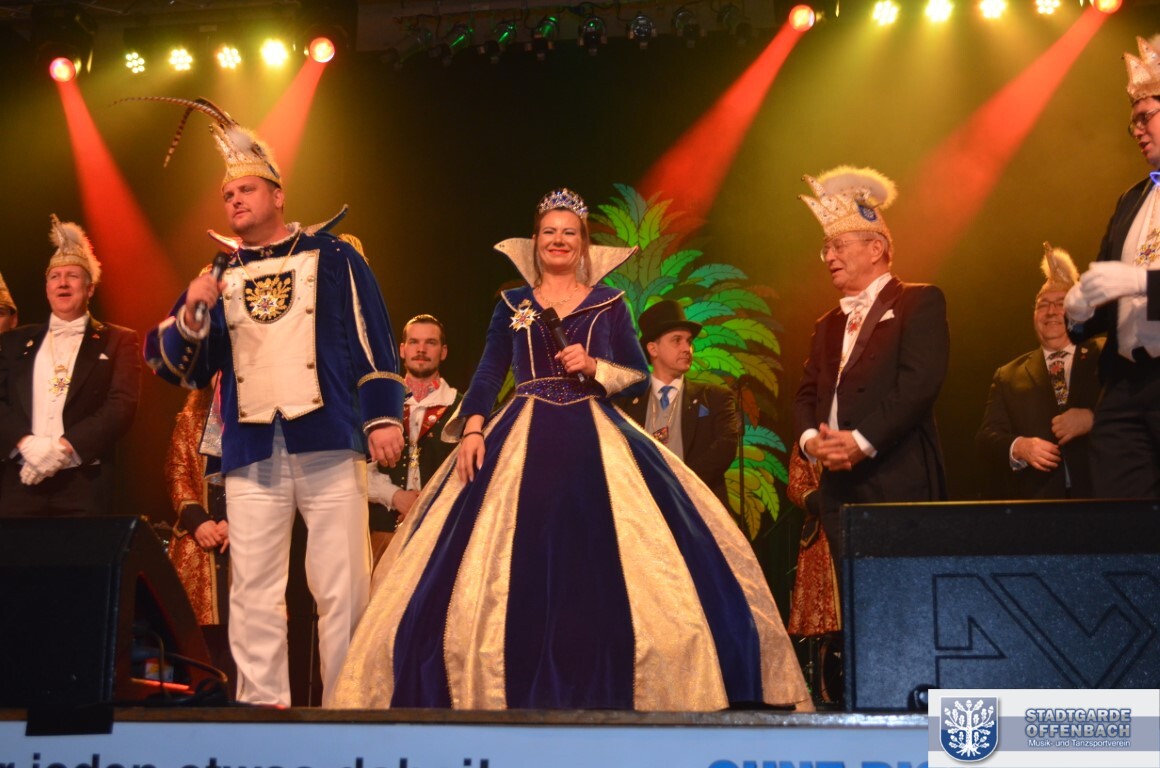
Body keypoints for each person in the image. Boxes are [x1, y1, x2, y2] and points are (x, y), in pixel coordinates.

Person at [332, 188, 810, 711]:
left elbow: (636, 375)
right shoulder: (512, 304)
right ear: (534, 241)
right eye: (549, 232)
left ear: (583, 244)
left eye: (569, 233)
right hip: (519, 429)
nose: (558, 241)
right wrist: (472, 431)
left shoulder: (610, 302)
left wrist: (594, 366)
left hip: (593, 429)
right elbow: (490, 372)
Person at [142, 98, 404, 707]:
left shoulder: (334, 255)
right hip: (252, 447)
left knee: (342, 585)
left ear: (278, 195)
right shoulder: (217, 272)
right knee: (253, 590)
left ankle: (346, 706)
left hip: (328, 438)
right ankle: (262, 707)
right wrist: (193, 312)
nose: (235, 200)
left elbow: (373, 337)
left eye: (247, 190)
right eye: (227, 195)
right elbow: (177, 366)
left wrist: (381, 416)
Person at [792, 167, 949, 555]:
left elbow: (918, 384)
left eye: (838, 245)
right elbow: (805, 394)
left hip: (897, 480)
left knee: (905, 586)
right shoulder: (827, 323)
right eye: (826, 249)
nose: (829, 256)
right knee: (853, 590)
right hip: (839, 488)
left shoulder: (919, 301)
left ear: (875, 249)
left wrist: (861, 442)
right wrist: (813, 443)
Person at [1065, 35, 1160, 498]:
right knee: (1121, 521)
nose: (1137, 130)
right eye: (1132, 123)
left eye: (1145, 117)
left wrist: (1143, 281)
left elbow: (1135, 284)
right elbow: (1107, 292)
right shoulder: (1132, 199)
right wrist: (1080, 311)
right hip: (1126, 382)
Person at [0, 215, 140, 516]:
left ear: (89, 288)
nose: (62, 283)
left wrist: (64, 449)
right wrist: (26, 445)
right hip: (20, 481)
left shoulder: (118, 340)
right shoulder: (14, 341)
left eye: (72, 276)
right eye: (55, 276)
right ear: (46, 287)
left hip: (84, 485)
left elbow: (121, 405)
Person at [977, 244, 1102, 499]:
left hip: (1106, 498)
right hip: (1040, 505)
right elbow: (987, 438)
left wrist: (1093, 418)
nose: (1051, 311)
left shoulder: (1106, 354)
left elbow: (1145, 406)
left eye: (1060, 303)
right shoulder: (1008, 375)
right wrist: (1019, 447)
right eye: (1042, 304)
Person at [614, 300, 739, 508]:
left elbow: (724, 448)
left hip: (699, 509)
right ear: (653, 348)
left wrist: (679, 485)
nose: (686, 348)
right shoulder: (625, 403)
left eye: (688, 341)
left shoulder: (715, 398)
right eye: (676, 340)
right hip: (646, 511)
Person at [367, 314, 462, 563]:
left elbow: (469, 473)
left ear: (443, 351)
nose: (421, 349)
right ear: (402, 349)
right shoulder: (379, 405)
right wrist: (396, 497)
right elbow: (354, 469)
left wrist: (428, 504)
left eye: (430, 342)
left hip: (441, 536)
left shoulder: (462, 408)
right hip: (383, 535)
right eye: (414, 342)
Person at [165, 380, 234, 685]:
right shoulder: (190, 420)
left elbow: (265, 477)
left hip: (244, 541)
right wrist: (198, 522)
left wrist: (237, 521)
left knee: (245, 637)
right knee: (196, 643)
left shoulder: (257, 425)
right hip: (197, 545)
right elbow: (176, 472)